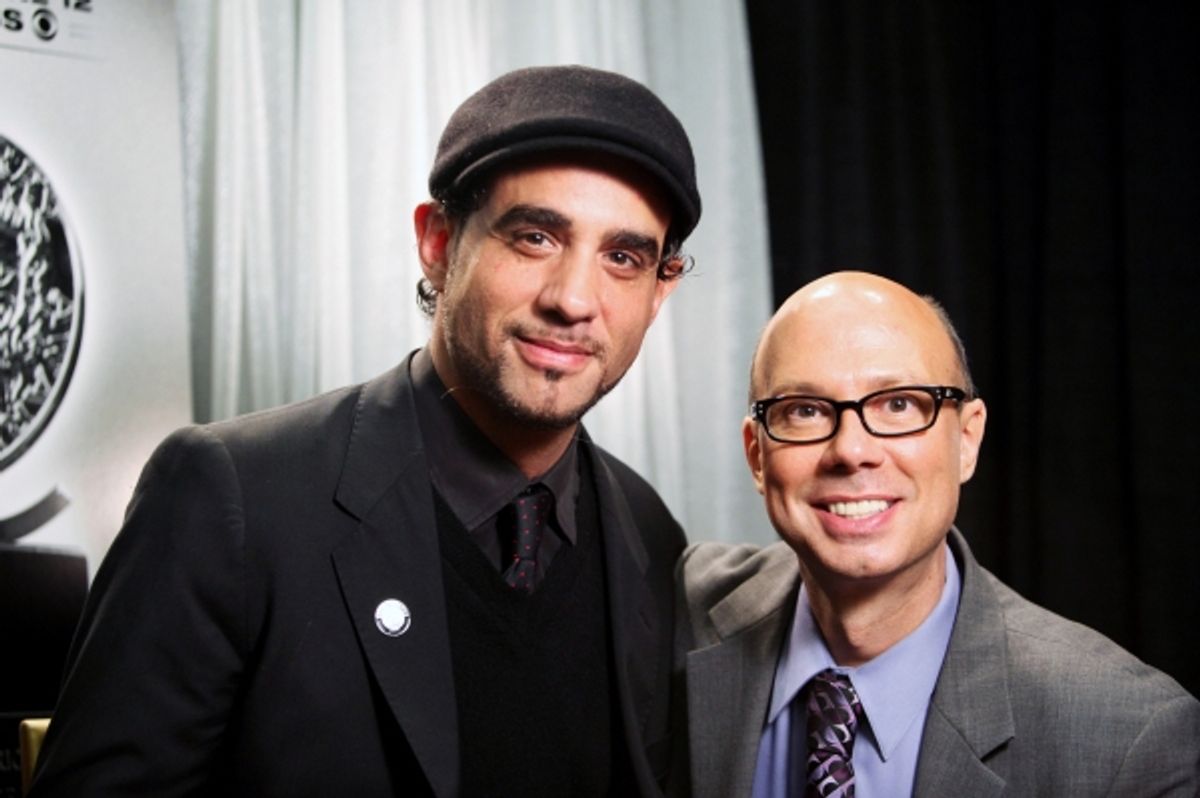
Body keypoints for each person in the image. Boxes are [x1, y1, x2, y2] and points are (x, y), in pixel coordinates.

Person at [31, 65, 701, 797]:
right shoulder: (233, 498)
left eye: (623, 258)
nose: (573, 299)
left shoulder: (649, 531)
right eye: (535, 237)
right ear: (438, 243)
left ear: (659, 289)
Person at [673, 271, 1200, 797]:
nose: (851, 451)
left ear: (967, 439)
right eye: (804, 411)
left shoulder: (1129, 739)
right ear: (757, 456)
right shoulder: (683, 606)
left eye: (899, 404)